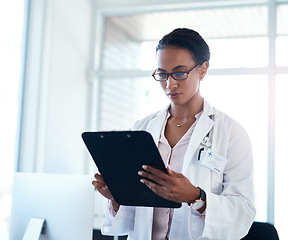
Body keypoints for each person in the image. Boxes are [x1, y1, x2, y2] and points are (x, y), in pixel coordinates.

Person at [92, 28, 256, 240]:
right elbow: (134, 213)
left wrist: (197, 198)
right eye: (162, 74)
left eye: (179, 73)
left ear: (203, 69)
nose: (170, 84)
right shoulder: (142, 128)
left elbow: (243, 211)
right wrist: (116, 197)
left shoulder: (231, 133)